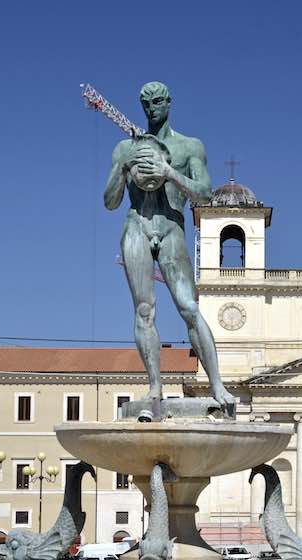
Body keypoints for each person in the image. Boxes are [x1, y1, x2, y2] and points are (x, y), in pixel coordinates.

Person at [104, 81, 234, 413]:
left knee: (189, 307)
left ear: (169, 103)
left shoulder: (191, 147)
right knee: (144, 310)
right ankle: (155, 389)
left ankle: (217, 385)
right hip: (137, 225)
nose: (152, 108)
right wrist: (123, 167)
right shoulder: (124, 148)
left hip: (172, 225)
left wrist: (168, 173)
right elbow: (109, 201)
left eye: (158, 102)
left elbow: (205, 195)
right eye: (146, 103)